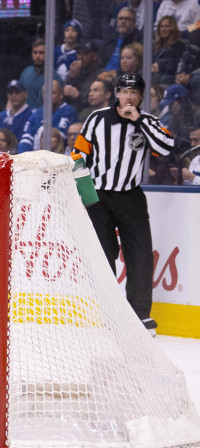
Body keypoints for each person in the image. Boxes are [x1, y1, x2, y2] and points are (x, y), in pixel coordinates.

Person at [71, 73, 174, 336]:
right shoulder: (97, 119)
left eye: (134, 92)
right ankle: (109, 313)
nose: (129, 97)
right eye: (124, 92)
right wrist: (88, 197)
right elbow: (77, 156)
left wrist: (138, 120)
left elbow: (165, 147)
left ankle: (140, 315)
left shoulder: (148, 121)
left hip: (131, 197)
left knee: (140, 255)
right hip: (99, 198)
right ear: (116, 93)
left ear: (141, 97)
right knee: (103, 257)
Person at [19, 80, 79, 153]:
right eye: (45, 92)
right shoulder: (36, 113)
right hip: (36, 158)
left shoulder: (68, 112)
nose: (48, 96)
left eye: (53, 92)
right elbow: (26, 139)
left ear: (61, 95)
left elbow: (58, 140)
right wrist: (25, 157)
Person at [0, 79, 32, 152]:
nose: (14, 95)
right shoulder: (0, 117)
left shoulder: (32, 114)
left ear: (25, 94)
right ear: (7, 95)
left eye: (17, 92)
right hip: (0, 158)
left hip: (21, 158)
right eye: (11, 93)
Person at [20, 38, 63, 108]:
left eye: (41, 53)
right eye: (35, 52)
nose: (37, 56)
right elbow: (17, 95)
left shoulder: (55, 77)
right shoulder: (26, 72)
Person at [64, 40, 106, 110]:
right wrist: (71, 77)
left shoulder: (101, 75)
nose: (80, 57)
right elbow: (63, 97)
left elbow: (97, 103)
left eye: (85, 54)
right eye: (79, 53)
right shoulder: (76, 72)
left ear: (94, 56)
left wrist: (78, 96)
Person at [101, 8, 143, 73]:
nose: (123, 21)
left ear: (134, 22)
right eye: (121, 19)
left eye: (127, 19)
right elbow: (102, 61)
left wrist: (116, 73)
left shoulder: (139, 40)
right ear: (117, 22)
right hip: (104, 73)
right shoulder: (110, 39)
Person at [153, 15, 186, 86]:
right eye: (161, 26)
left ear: (172, 28)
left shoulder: (178, 45)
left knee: (164, 79)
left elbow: (175, 64)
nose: (163, 29)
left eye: (166, 26)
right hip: (157, 73)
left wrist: (160, 66)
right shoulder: (156, 46)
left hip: (171, 75)